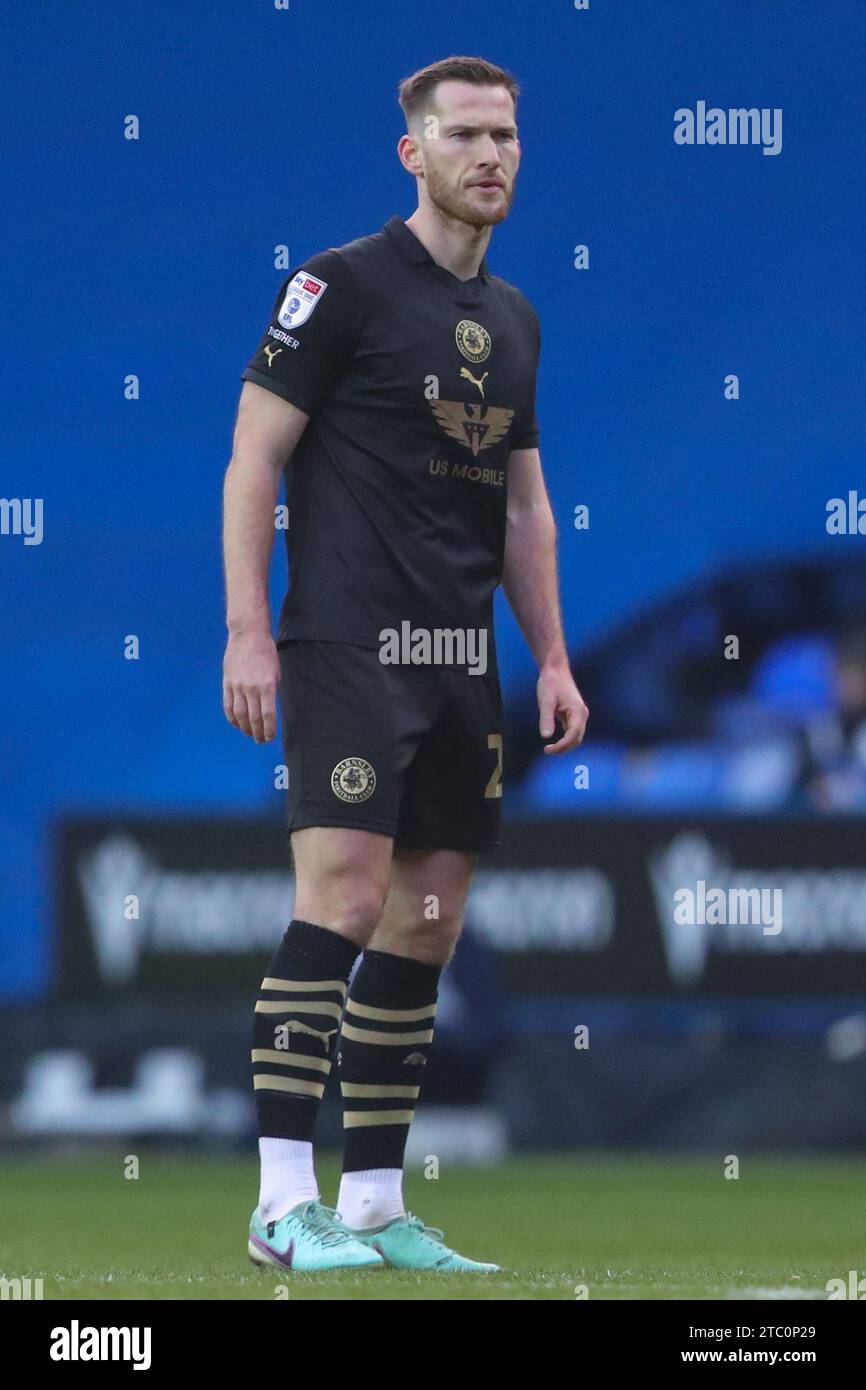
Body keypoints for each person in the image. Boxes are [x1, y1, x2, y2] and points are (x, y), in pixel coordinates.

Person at [222, 54, 588, 1274]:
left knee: (425, 927)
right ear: (412, 152)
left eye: (507, 137)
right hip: (345, 647)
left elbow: (526, 514)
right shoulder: (337, 286)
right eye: (466, 135)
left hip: (458, 664)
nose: (491, 156)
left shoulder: (517, 319)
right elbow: (252, 464)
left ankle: (373, 1201)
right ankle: (281, 1207)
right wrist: (247, 630)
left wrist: (550, 658)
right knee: (342, 903)